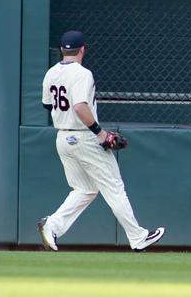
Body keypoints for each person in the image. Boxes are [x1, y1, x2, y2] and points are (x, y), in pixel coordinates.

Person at [38, 30, 165, 252]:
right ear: (83, 49)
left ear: (62, 50)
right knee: (114, 187)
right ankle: (138, 237)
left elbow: (47, 106)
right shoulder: (82, 73)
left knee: (85, 189)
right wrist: (100, 133)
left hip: (62, 137)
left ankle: (53, 225)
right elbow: (79, 106)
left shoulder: (51, 72)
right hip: (84, 136)